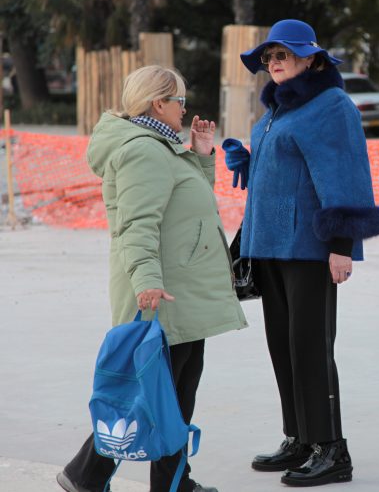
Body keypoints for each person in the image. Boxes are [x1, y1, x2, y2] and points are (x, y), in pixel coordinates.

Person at [56, 65, 248, 492]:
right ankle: (96, 476)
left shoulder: (162, 146)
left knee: (167, 394)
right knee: (158, 397)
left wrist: (200, 154)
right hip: (163, 292)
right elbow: (137, 224)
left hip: (179, 290)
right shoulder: (143, 150)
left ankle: (108, 478)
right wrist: (146, 282)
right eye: (179, 100)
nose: (185, 108)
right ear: (158, 104)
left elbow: (188, 204)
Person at [223, 19, 379, 487]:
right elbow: (290, 169)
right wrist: (249, 162)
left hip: (310, 249)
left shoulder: (331, 105)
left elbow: (345, 175)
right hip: (272, 245)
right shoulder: (280, 109)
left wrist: (340, 247)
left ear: (312, 59)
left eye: (284, 54)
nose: (274, 62)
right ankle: (300, 438)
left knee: (312, 348)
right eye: (269, 57)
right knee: (284, 347)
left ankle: (332, 449)